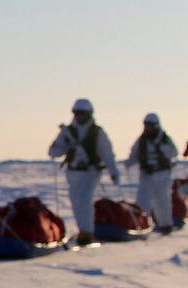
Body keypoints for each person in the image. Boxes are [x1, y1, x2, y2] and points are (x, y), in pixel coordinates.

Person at [48, 99, 120, 246]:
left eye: (82, 113)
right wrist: (61, 146)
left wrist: (114, 172)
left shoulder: (97, 132)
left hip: (91, 172)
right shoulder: (67, 132)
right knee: (76, 201)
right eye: (77, 113)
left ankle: (88, 233)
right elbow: (54, 151)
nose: (79, 116)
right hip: (74, 172)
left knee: (85, 200)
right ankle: (83, 231)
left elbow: (107, 153)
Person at [129, 112, 180, 233]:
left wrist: (161, 148)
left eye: (150, 125)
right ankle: (142, 223)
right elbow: (135, 153)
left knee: (162, 200)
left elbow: (174, 152)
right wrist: (128, 162)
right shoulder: (142, 139)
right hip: (146, 174)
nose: (148, 127)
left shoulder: (164, 139)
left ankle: (166, 224)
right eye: (146, 125)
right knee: (142, 200)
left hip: (162, 174)